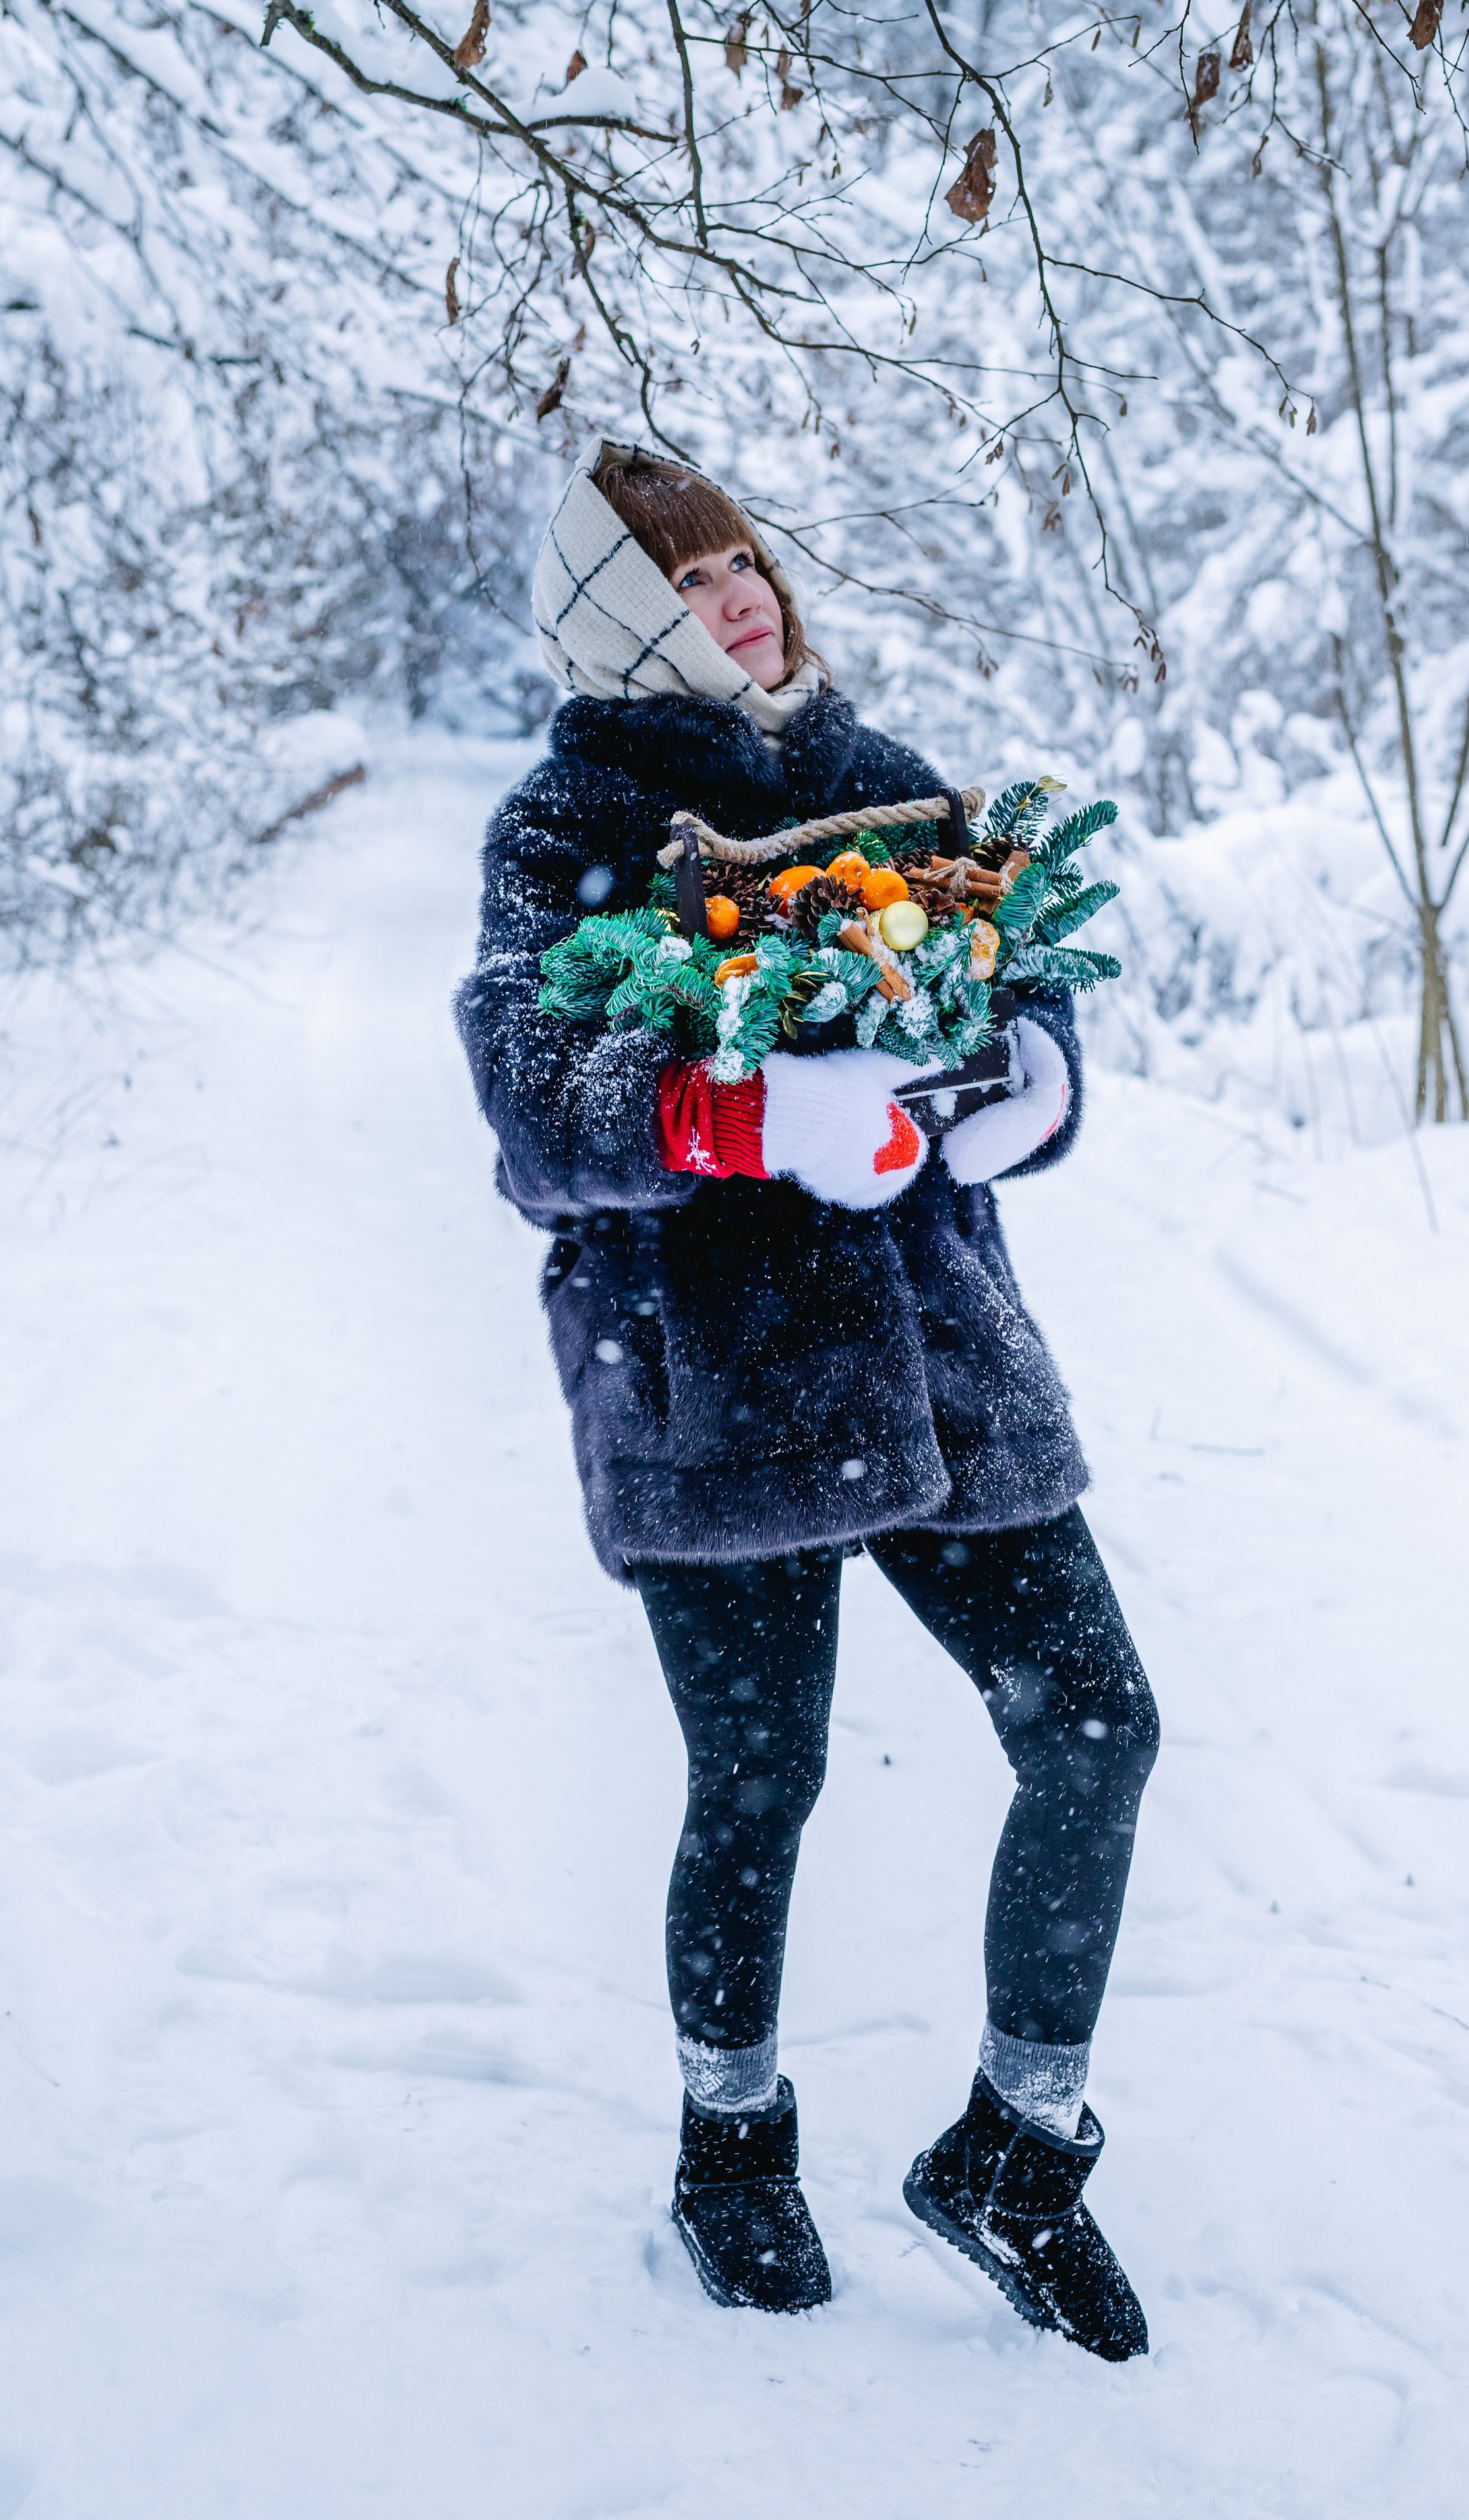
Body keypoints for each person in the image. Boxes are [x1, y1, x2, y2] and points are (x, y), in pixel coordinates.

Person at [455, 440, 1159, 2358]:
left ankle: (1018, 2154)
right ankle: (731, 2150)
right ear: (618, 619)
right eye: (685, 577)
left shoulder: (880, 776)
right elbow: (538, 1106)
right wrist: (750, 1113)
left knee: (1098, 1729)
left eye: (742, 557)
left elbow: (1005, 981)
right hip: (718, 1380)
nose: (740, 594)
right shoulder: (568, 825)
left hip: (942, 1360)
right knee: (762, 1783)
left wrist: (1031, 1086)